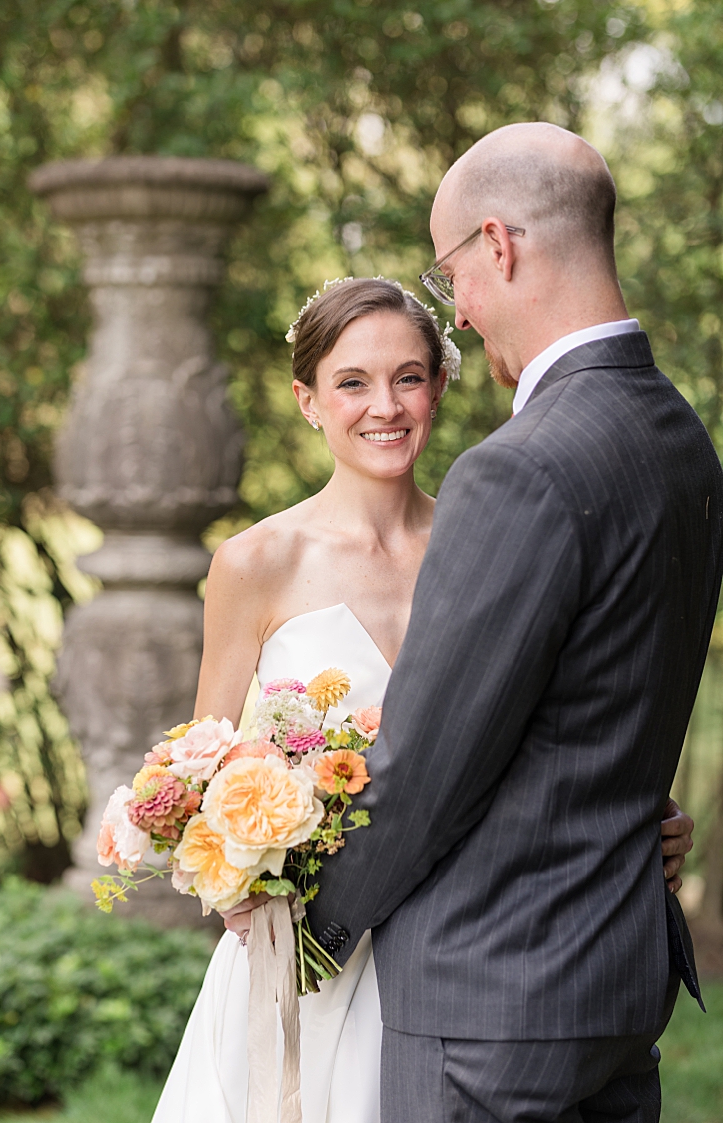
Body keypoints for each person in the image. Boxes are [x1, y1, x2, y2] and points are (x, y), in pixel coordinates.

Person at [150, 267, 701, 1118]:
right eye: (352, 382)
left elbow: (554, 719)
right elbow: (198, 771)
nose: (386, 405)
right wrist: (242, 871)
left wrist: (640, 809)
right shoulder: (255, 565)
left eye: (409, 376)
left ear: (440, 385)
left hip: (469, 947)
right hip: (311, 952)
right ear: (307, 399)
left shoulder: (489, 533)